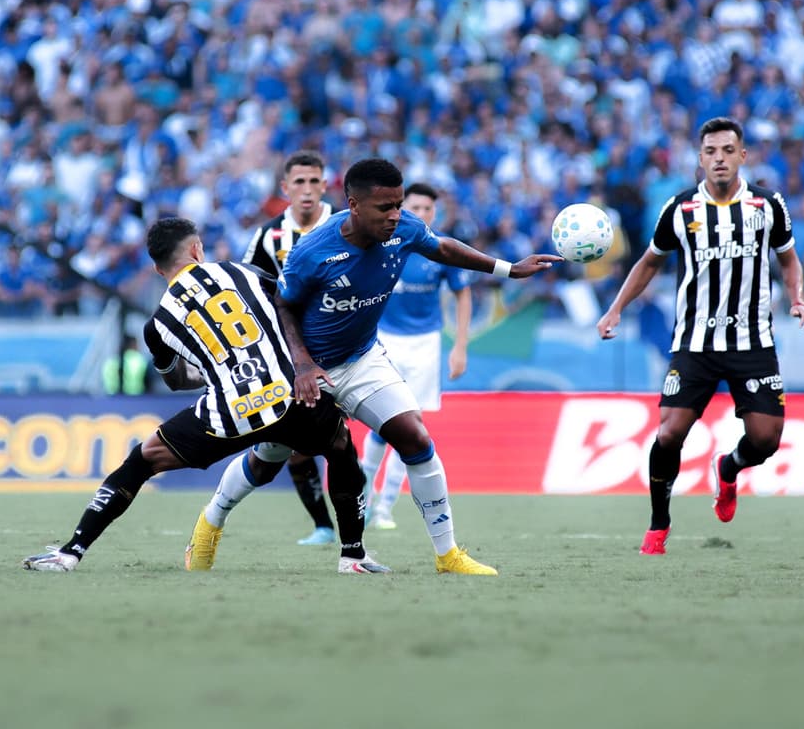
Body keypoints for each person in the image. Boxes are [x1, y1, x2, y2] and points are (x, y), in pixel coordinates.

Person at [188, 158, 559, 576]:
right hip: (309, 371)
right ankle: (211, 521)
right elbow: (285, 307)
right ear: (354, 205)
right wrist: (304, 365)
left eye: (399, 204)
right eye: (386, 207)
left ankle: (447, 554)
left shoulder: (404, 230)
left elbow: (443, 247)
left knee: (415, 438)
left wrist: (509, 269)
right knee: (269, 459)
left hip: (363, 359)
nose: (396, 215)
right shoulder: (313, 251)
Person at [23, 217, 388, 575]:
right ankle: (352, 555)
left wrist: (211, 370)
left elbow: (177, 381)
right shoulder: (241, 272)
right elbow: (293, 310)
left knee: (141, 461)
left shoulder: (159, 323)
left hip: (230, 411)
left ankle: (71, 552)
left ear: (156, 267)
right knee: (340, 447)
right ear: (197, 249)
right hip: (290, 394)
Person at [596, 117, 804, 555]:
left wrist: (797, 297)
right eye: (711, 152)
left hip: (753, 342)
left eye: (728, 151)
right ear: (700, 159)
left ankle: (729, 468)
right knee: (668, 433)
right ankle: (659, 524)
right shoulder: (680, 210)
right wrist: (616, 308)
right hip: (694, 343)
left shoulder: (767, 206)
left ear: (742, 156)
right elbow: (649, 263)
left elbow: (788, 259)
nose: (719, 159)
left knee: (766, 439)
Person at [361, 182, 472, 530]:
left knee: (411, 426)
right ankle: (361, 497)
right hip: (385, 341)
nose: (421, 214)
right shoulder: (385, 243)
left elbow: (463, 295)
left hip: (425, 344)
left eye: (428, 209)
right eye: (416, 208)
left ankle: (384, 506)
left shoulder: (440, 249)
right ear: (402, 208)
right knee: (383, 424)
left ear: (434, 213)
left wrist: (460, 346)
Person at [242, 149, 338, 546]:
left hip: (343, 348)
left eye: (314, 181)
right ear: (285, 188)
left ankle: (366, 516)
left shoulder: (343, 224)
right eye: (299, 182)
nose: (307, 190)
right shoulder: (269, 235)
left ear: (325, 184)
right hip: (291, 353)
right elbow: (250, 283)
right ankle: (323, 527)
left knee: (343, 441)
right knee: (298, 445)